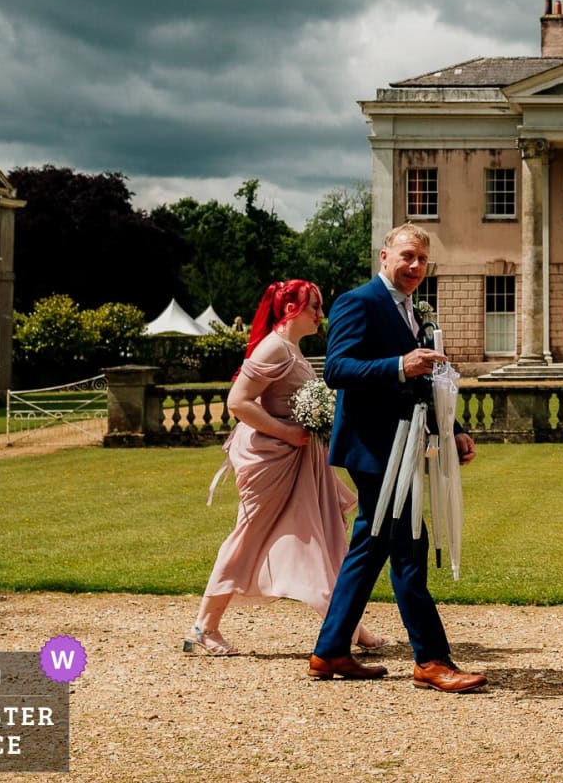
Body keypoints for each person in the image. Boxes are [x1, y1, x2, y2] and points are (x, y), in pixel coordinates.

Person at [307, 224, 483, 692]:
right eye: (407, 256)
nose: (415, 267)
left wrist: (455, 431)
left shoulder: (415, 312)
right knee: (409, 546)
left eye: (423, 260)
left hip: (407, 444)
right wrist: (397, 365)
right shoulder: (358, 302)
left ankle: (330, 651)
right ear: (384, 256)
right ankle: (430, 659)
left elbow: (426, 382)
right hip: (373, 447)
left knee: (369, 547)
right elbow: (337, 369)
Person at [186, 280, 385, 656]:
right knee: (248, 537)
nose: (321, 316)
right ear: (290, 309)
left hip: (295, 458)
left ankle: (351, 626)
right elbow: (238, 403)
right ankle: (204, 625)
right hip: (272, 461)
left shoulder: (290, 348)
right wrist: (288, 433)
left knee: (321, 537)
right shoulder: (274, 348)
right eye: (314, 308)